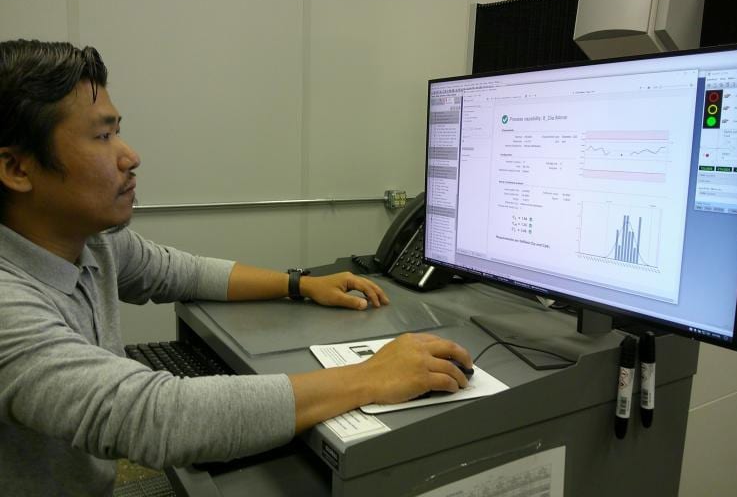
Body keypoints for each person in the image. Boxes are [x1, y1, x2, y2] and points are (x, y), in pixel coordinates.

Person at [0, 40, 472, 496]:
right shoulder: (8, 305)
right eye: (103, 136)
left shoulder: (91, 242)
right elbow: (150, 417)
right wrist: (370, 377)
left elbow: (176, 271)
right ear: (18, 169)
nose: (130, 155)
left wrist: (301, 284)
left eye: (118, 130)